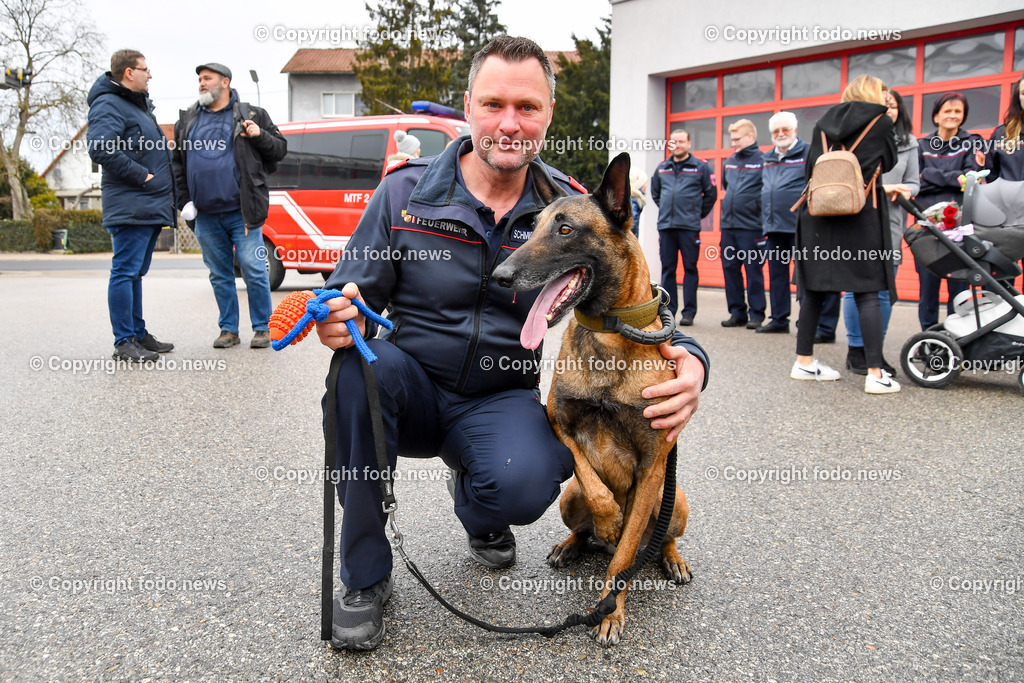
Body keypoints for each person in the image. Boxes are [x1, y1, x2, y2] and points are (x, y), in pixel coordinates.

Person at [313, 36, 710, 651]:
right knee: (354, 374)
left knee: (523, 479)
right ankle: (365, 577)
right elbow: (350, 292)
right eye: (493, 104)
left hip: (498, 398)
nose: (508, 123)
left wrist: (696, 363)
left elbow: (633, 295)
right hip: (411, 385)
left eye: (527, 107)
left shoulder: (567, 205)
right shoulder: (403, 194)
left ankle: (480, 504)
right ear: (468, 107)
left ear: (548, 114)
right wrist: (338, 318)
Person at [791, 74, 899, 394]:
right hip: (859, 215)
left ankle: (804, 362)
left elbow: (809, 168)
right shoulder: (881, 121)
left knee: (813, 292)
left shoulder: (822, 123)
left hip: (818, 215)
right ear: (873, 94)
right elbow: (888, 162)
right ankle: (875, 374)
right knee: (867, 292)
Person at [172, 62, 287, 349]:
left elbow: (280, 149)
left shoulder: (251, 115)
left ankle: (262, 328)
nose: (201, 83)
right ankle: (228, 330)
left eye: (207, 78)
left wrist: (260, 135)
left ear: (225, 82)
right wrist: (184, 201)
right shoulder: (188, 120)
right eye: (200, 79)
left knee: (254, 269)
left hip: (242, 211)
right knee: (219, 274)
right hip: (205, 214)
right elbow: (177, 166)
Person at [87, 49, 175, 363]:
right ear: (128, 72)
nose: (150, 75)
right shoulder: (109, 103)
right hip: (131, 204)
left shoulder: (137, 107)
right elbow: (101, 148)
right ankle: (124, 342)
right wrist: (143, 176)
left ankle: (137, 333)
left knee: (134, 274)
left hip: (147, 204)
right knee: (124, 273)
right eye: (145, 69)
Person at [843, 89, 919, 375]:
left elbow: (914, 182)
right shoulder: (857, 138)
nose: (889, 110)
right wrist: (880, 189)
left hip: (891, 223)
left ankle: (875, 351)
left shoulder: (909, 143)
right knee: (856, 288)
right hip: (858, 221)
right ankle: (856, 351)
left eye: (893, 105)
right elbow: (846, 179)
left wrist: (905, 190)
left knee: (885, 290)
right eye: (883, 104)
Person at [915, 92, 985, 330]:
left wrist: (930, 174)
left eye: (958, 111)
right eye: (947, 111)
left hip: (960, 229)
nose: (952, 115)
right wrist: (954, 179)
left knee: (959, 292)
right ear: (936, 116)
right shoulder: (921, 146)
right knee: (927, 290)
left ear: (963, 116)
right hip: (927, 229)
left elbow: (970, 180)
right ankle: (928, 339)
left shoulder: (973, 143)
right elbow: (916, 183)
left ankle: (958, 339)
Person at [651, 129, 718, 325]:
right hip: (666, 227)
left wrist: (695, 214)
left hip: (689, 228)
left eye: (681, 141)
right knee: (668, 269)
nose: (677, 145)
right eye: (674, 142)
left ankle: (689, 312)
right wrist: (668, 210)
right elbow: (656, 194)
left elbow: (711, 194)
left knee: (690, 268)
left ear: (689, 144)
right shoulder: (662, 168)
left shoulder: (701, 168)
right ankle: (669, 311)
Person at [757, 112, 807, 334]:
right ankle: (779, 319)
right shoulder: (767, 157)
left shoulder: (807, 152)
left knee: (804, 276)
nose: (780, 134)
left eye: (785, 129)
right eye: (776, 131)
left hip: (800, 225)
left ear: (795, 130)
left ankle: (806, 321)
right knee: (777, 276)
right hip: (773, 226)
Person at [719, 119, 766, 328]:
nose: (733, 143)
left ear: (750, 137)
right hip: (729, 227)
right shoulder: (729, 161)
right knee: (730, 269)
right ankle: (737, 312)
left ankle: (757, 314)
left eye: (737, 139)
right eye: (732, 139)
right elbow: (726, 186)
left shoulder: (763, 161)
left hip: (752, 227)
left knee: (753, 270)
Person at [987, 75, 1024, 182]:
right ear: (1018, 98)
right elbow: (991, 175)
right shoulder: (1001, 134)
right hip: (1008, 193)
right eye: (1023, 93)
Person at [629, 168, 648, 238]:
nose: (646, 185)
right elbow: (633, 221)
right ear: (638, 185)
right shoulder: (633, 201)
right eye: (644, 183)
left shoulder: (632, 199)